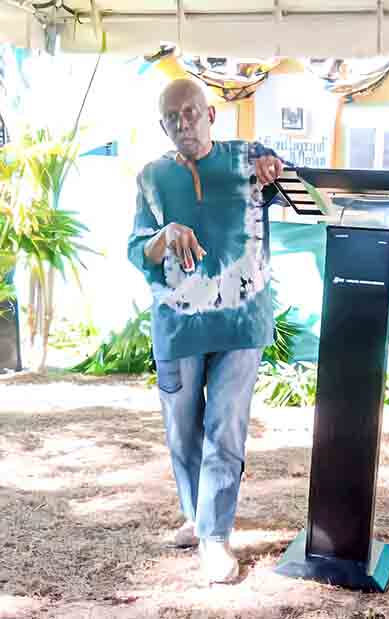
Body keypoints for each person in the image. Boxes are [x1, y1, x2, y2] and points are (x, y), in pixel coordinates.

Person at [127, 78, 284, 584]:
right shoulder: (151, 177)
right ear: (162, 125)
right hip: (177, 324)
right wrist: (162, 237)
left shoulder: (247, 159)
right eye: (172, 117)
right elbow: (135, 248)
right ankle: (197, 515)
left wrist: (274, 167)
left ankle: (215, 538)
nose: (183, 123)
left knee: (225, 427)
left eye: (191, 113)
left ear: (211, 114)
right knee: (182, 428)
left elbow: (286, 175)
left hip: (242, 320)